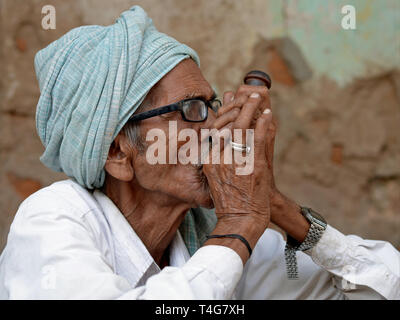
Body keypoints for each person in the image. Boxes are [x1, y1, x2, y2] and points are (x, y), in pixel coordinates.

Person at [0, 6, 398, 300]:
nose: (214, 128)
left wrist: (273, 205)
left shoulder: (215, 231)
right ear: (118, 153)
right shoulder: (53, 220)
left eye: (211, 106)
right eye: (190, 110)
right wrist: (238, 226)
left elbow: (383, 289)